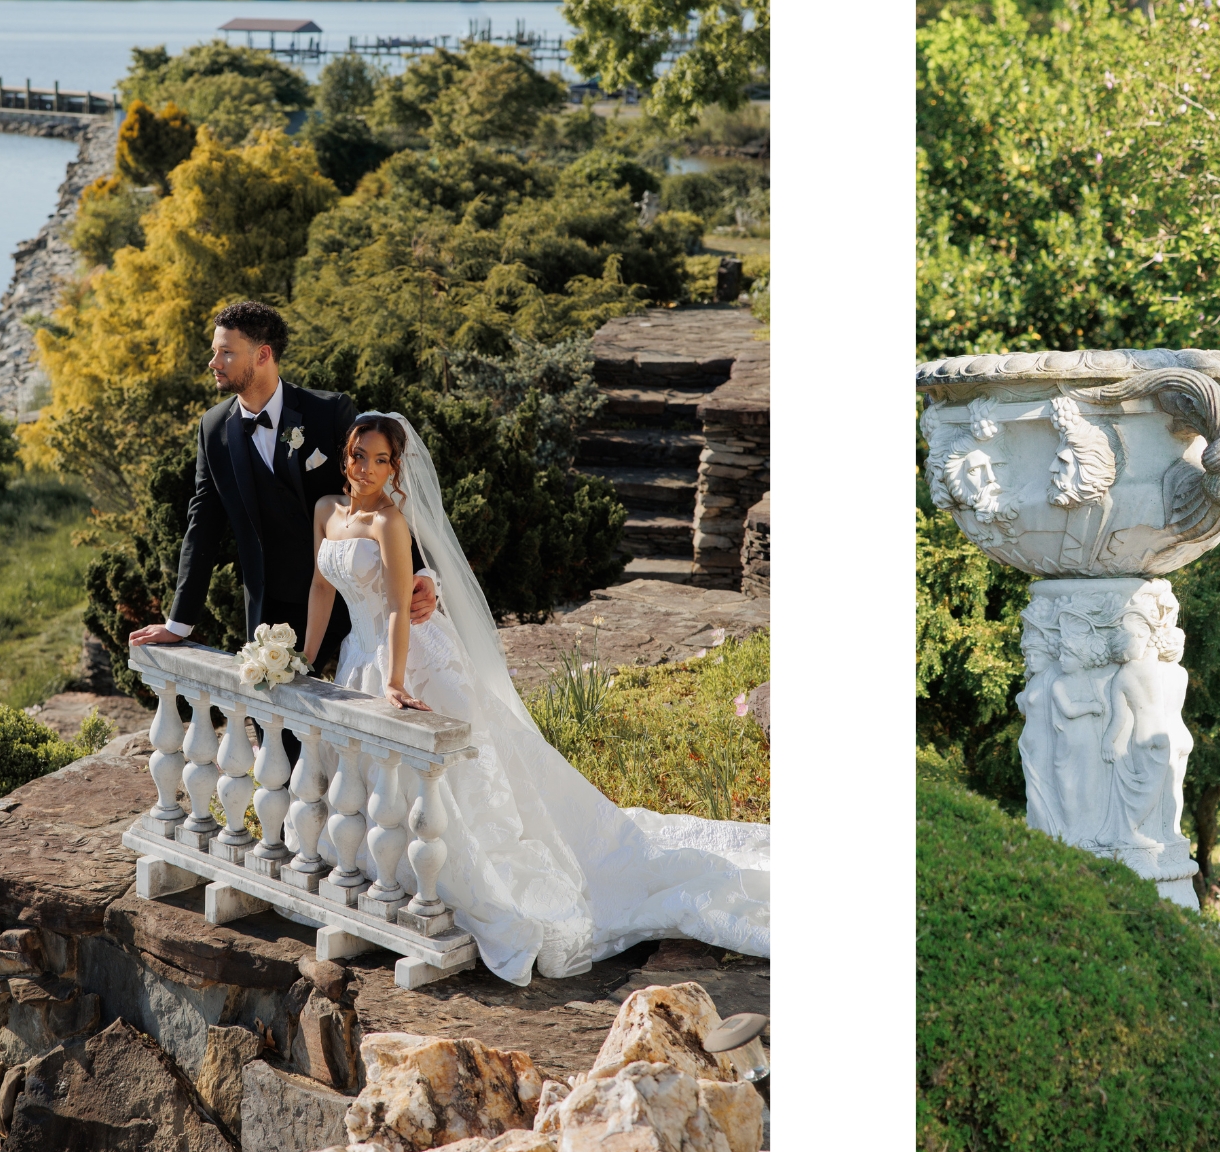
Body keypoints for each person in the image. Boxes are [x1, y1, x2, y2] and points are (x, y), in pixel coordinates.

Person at [300, 411, 769, 985]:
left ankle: (464, 883)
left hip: (412, 655)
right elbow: (321, 587)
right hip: (358, 655)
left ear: (396, 468)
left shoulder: (391, 523)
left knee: (461, 777)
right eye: (356, 455)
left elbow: (399, 607)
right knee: (371, 779)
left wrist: (394, 681)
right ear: (343, 453)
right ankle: (383, 875)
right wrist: (303, 658)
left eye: (380, 460)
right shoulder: (328, 511)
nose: (365, 468)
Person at [126, 300, 437, 670]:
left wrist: (419, 573)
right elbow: (202, 525)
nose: (214, 362)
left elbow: (377, 488)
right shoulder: (213, 429)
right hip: (270, 607)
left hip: (349, 593)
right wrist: (178, 623)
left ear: (263, 355)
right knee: (273, 720)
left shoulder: (327, 412)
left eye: (226, 352)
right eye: (214, 352)